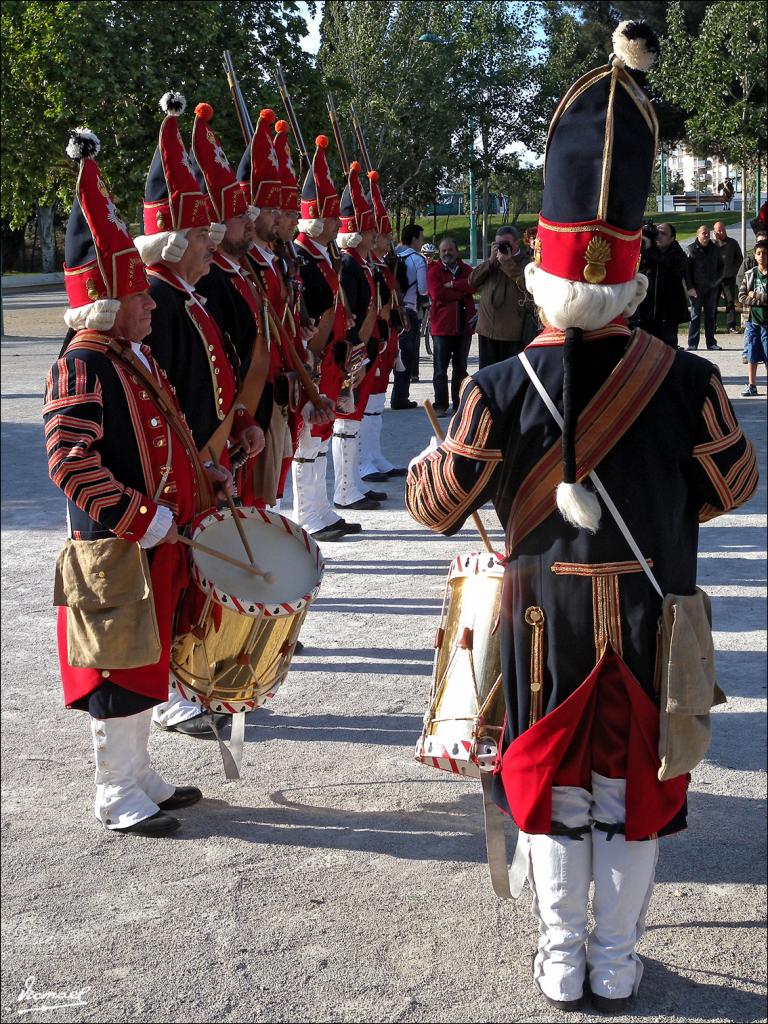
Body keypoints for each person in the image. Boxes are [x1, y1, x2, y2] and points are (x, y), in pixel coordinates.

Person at [406, 21, 757, 1014]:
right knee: (632, 793)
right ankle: (617, 953)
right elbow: (735, 488)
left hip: (539, 620)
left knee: (557, 791)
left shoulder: (502, 383)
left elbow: (437, 508)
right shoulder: (688, 378)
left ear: (545, 273)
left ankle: (563, 957)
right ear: (634, 273)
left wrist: (440, 463)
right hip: (652, 613)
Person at [46, 129, 232, 837]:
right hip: (116, 546)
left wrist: (202, 475)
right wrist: (138, 518)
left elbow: (171, 435)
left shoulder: (130, 354)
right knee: (117, 669)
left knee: (148, 660)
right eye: (137, 296)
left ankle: (141, 772)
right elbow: (71, 462)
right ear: (103, 302)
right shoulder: (83, 363)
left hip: (154, 537)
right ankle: (114, 791)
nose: (152, 303)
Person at [135, 92, 261, 738]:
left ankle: (183, 683)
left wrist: (235, 430)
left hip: (205, 455)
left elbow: (218, 372)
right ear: (174, 240)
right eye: (200, 238)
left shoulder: (184, 292)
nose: (211, 248)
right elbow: (166, 397)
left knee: (188, 580)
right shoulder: (158, 299)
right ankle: (171, 693)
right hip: (178, 465)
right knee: (169, 582)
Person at [292, 135, 362, 540]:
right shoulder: (302, 256)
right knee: (307, 440)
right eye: (333, 218)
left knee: (319, 439)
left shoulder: (322, 255)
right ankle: (308, 515)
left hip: (332, 359)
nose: (339, 224)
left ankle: (321, 508)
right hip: (314, 360)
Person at [332, 161, 385, 510]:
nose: (374, 235)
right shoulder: (349, 263)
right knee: (346, 420)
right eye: (368, 230)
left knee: (355, 417)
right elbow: (349, 310)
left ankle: (353, 486)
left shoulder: (362, 263)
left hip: (363, 348)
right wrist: (356, 348)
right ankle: (345, 489)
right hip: (352, 349)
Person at [359, 168, 407, 482]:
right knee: (363, 403)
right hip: (372, 338)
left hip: (386, 338)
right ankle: (362, 461)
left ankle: (374, 454)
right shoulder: (364, 266)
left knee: (377, 402)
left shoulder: (382, 264)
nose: (388, 240)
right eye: (384, 234)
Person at [469, 224, 531, 368]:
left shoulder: (526, 262)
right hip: (487, 331)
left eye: (506, 243)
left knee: (510, 376)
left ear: (516, 242)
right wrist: (491, 261)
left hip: (512, 333)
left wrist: (508, 263)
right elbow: (472, 281)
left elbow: (528, 285)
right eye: (498, 244)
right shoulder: (492, 263)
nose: (503, 247)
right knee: (487, 376)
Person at [427, 237, 475, 415]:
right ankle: (440, 405)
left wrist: (453, 285)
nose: (447, 253)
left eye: (450, 250)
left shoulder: (467, 269)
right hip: (442, 328)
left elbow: (473, 286)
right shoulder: (434, 271)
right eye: (443, 251)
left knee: (460, 369)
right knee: (440, 369)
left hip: (464, 328)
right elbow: (437, 293)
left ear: (457, 251)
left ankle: (459, 404)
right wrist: (461, 293)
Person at [638, 223, 693, 347]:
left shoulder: (678, 254)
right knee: (646, 348)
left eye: (663, 233)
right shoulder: (647, 252)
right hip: (647, 311)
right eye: (657, 232)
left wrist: (650, 248)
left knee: (667, 348)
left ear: (672, 238)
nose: (658, 236)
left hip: (668, 312)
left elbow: (665, 263)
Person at [391, 224, 428, 407]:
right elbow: (423, 289)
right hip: (408, 311)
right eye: (421, 239)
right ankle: (400, 397)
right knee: (406, 355)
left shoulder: (391, 255)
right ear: (414, 239)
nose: (422, 243)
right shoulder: (418, 260)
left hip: (389, 310)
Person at [738, 237, 768, 396]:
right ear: (755, 256)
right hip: (752, 320)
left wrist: (756, 295)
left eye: (764, 253)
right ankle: (752, 384)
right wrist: (756, 300)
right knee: (751, 353)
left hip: (766, 322)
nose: (761, 256)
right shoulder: (750, 274)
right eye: (758, 253)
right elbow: (741, 296)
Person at [686, 224, 723, 350]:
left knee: (710, 316)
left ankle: (711, 343)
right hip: (696, 289)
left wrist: (716, 282)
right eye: (703, 233)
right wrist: (690, 287)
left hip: (712, 288)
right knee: (695, 316)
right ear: (698, 235)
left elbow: (721, 267)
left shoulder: (715, 249)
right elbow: (687, 272)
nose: (706, 235)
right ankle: (692, 344)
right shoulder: (691, 249)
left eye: (707, 232)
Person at [713, 221, 743, 335]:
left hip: (729, 277)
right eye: (719, 230)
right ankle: (712, 325)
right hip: (715, 279)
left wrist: (733, 270)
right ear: (715, 232)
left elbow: (739, 258)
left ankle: (731, 326)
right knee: (713, 302)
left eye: (723, 229)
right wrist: (715, 241)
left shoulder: (733, 243)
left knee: (730, 302)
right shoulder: (712, 244)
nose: (722, 232)